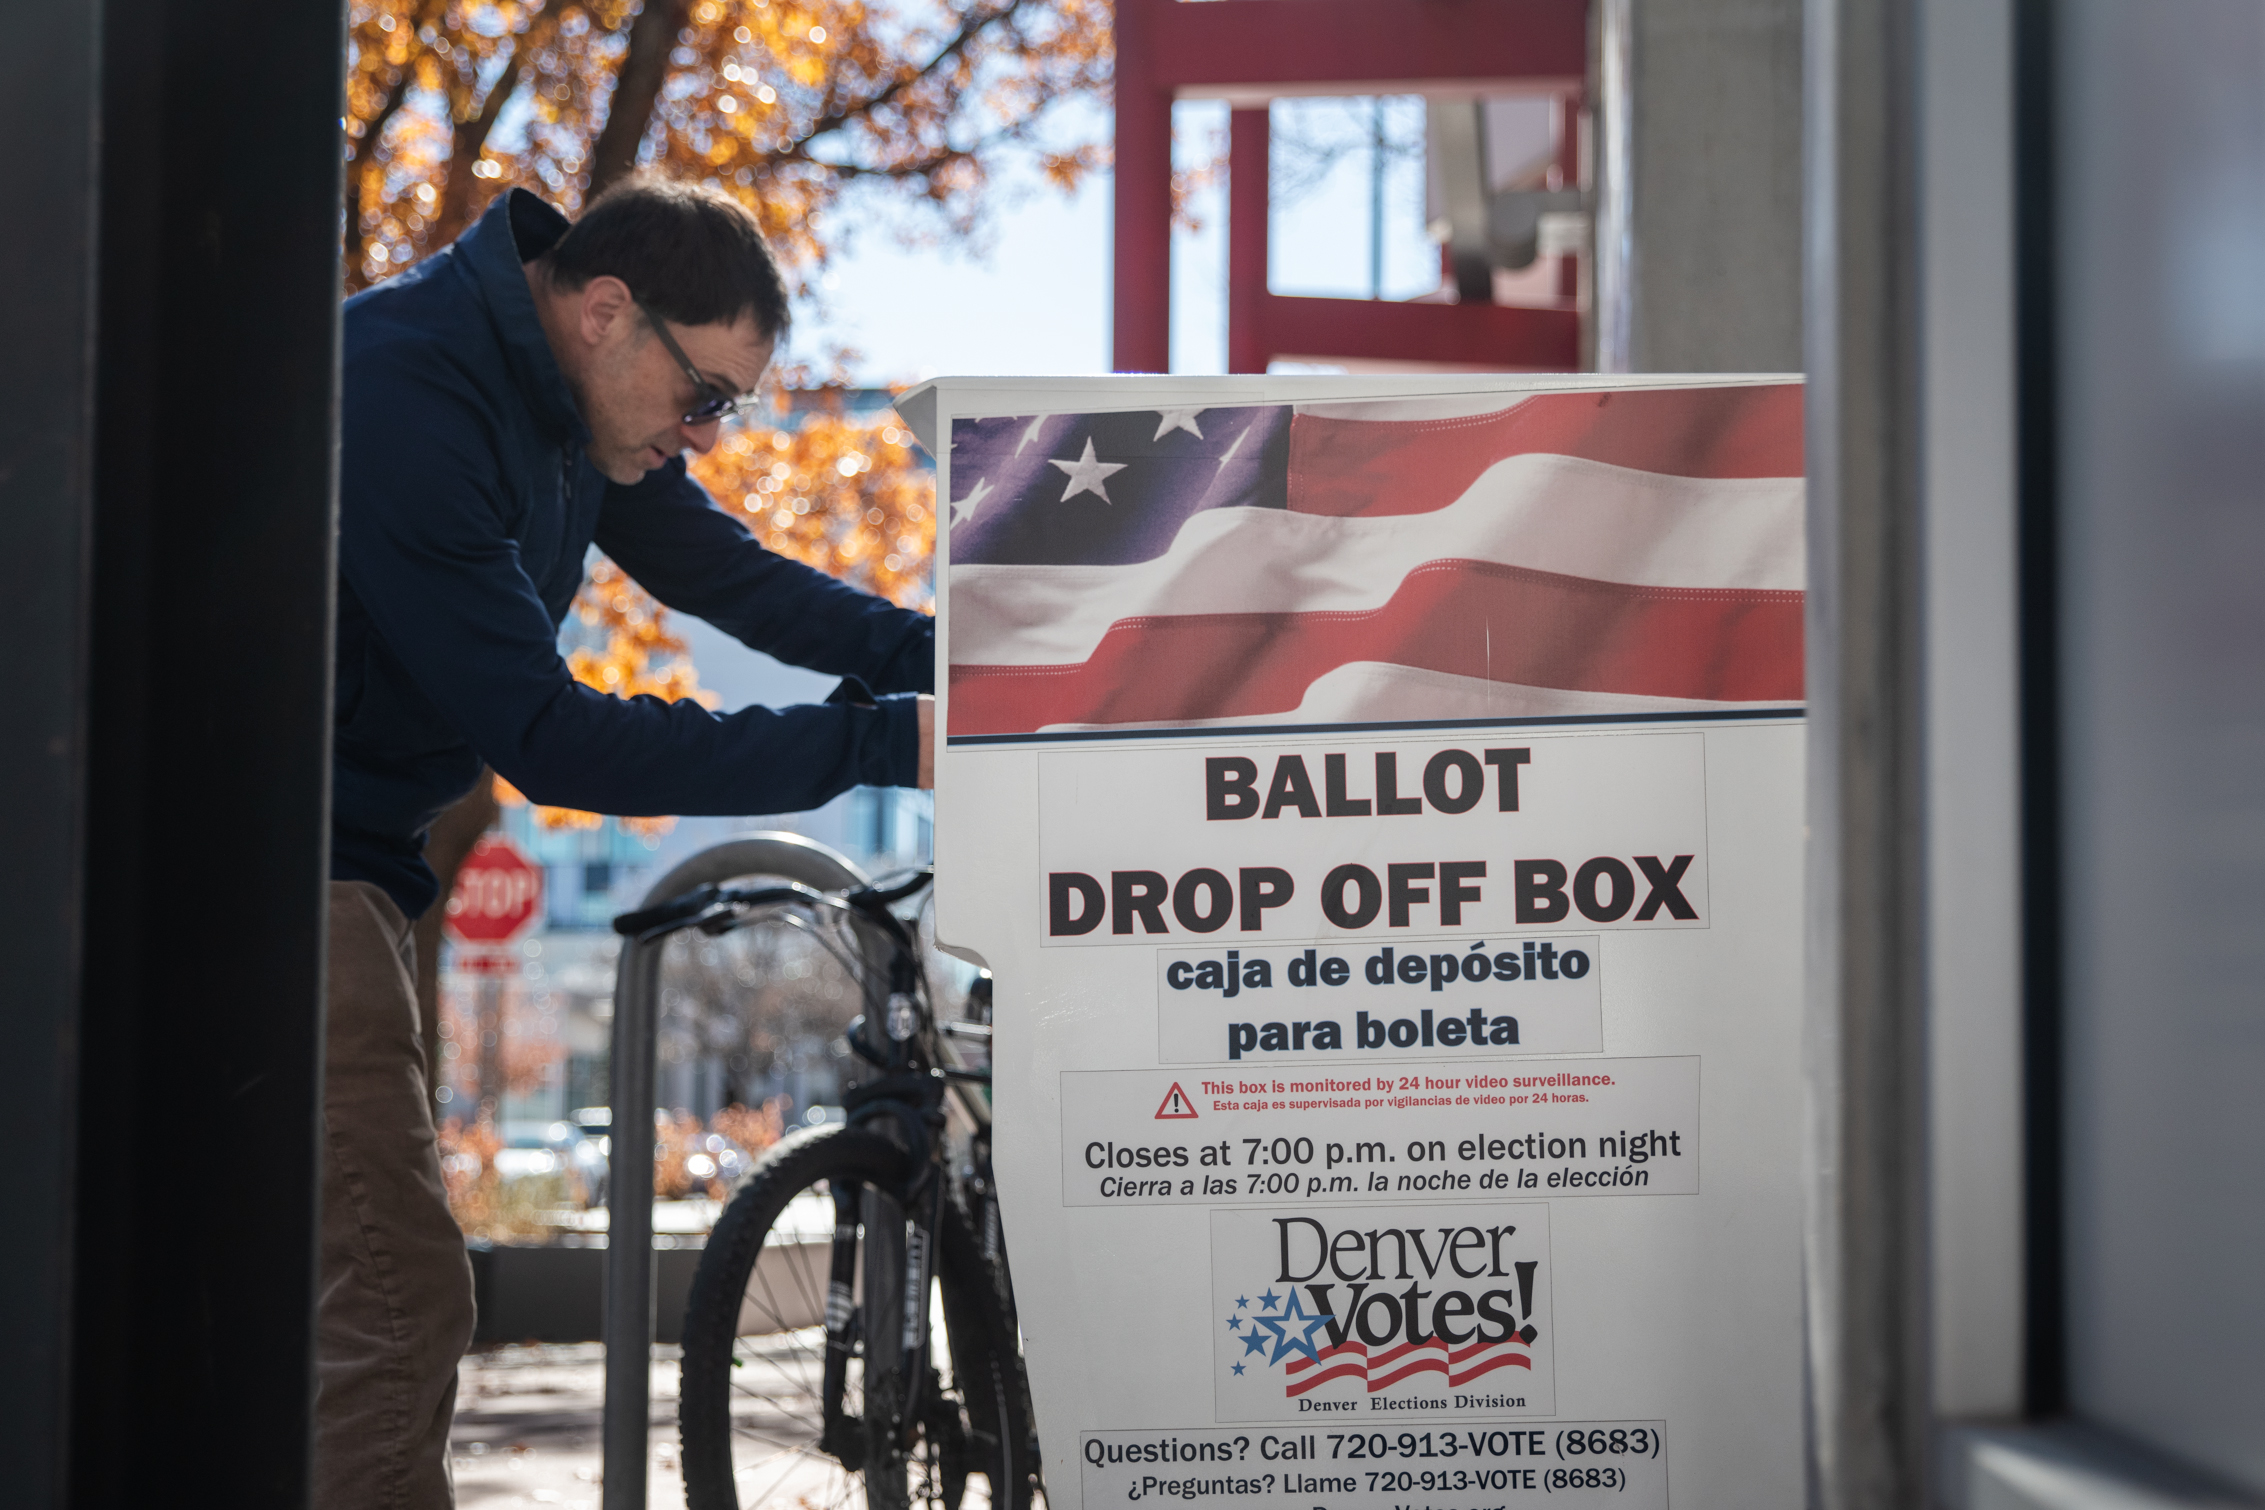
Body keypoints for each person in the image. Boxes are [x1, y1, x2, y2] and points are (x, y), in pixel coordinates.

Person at [322, 179, 934, 1506]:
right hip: (251, 860)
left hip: (349, 855)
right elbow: (553, 738)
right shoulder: (410, 388)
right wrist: (886, 744)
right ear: (607, 312)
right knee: (391, 1294)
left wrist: (956, 668)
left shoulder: (570, 399)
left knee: (286, 1296)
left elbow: (737, 579)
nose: (707, 435)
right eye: (705, 394)